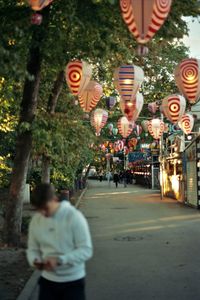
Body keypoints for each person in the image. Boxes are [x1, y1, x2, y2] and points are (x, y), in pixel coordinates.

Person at [27, 183, 93, 300]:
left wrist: (60, 260)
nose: (43, 213)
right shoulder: (36, 220)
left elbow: (86, 250)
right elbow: (33, 248)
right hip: (47, 281)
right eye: (39, 209)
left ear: (55, 199)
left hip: (73, 281)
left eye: (45, 208)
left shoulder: (74, 217)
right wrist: (35, 260)